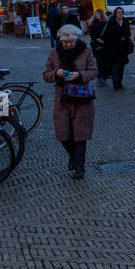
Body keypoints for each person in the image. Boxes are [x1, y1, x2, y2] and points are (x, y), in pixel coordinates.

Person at [43, 24, 97, 179]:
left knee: (80, 135)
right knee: (63, 134)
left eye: (71, 42)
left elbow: (94, 71)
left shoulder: (86, 51)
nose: (68, 44)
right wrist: (56, 73)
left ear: (76, 39)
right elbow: (46, 75)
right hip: (62, 98)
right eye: (65, 42)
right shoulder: (54, 53)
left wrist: (79, 75)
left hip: (82, 98)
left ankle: (80, 168)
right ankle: (73, 157)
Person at [101, 7, 134, 91]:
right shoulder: (111, 22)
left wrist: (125, 38)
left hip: (123, 48)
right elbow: (107, 35)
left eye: (121, 12)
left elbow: (128, 33)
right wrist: (118, 37)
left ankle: (120, 82)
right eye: (118, 12)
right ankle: (115, 83)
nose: (120, 14)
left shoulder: (125, 21)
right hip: (113, 48)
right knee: (115, 66)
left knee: (122, 66)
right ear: (115, 13)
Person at [88, 9, 108, 86]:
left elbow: (108, 33)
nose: (96, 15)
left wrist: (104, 41)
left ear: (101, 15)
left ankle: (104, 78)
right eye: (95, 14)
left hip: (105, 45)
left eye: (98, 14)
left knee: (105, 62)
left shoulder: (106, 23)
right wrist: (98, 39)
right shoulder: (92, 24)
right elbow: (92, 34)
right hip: (96, 45)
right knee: (99, 62)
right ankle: (100, 77)